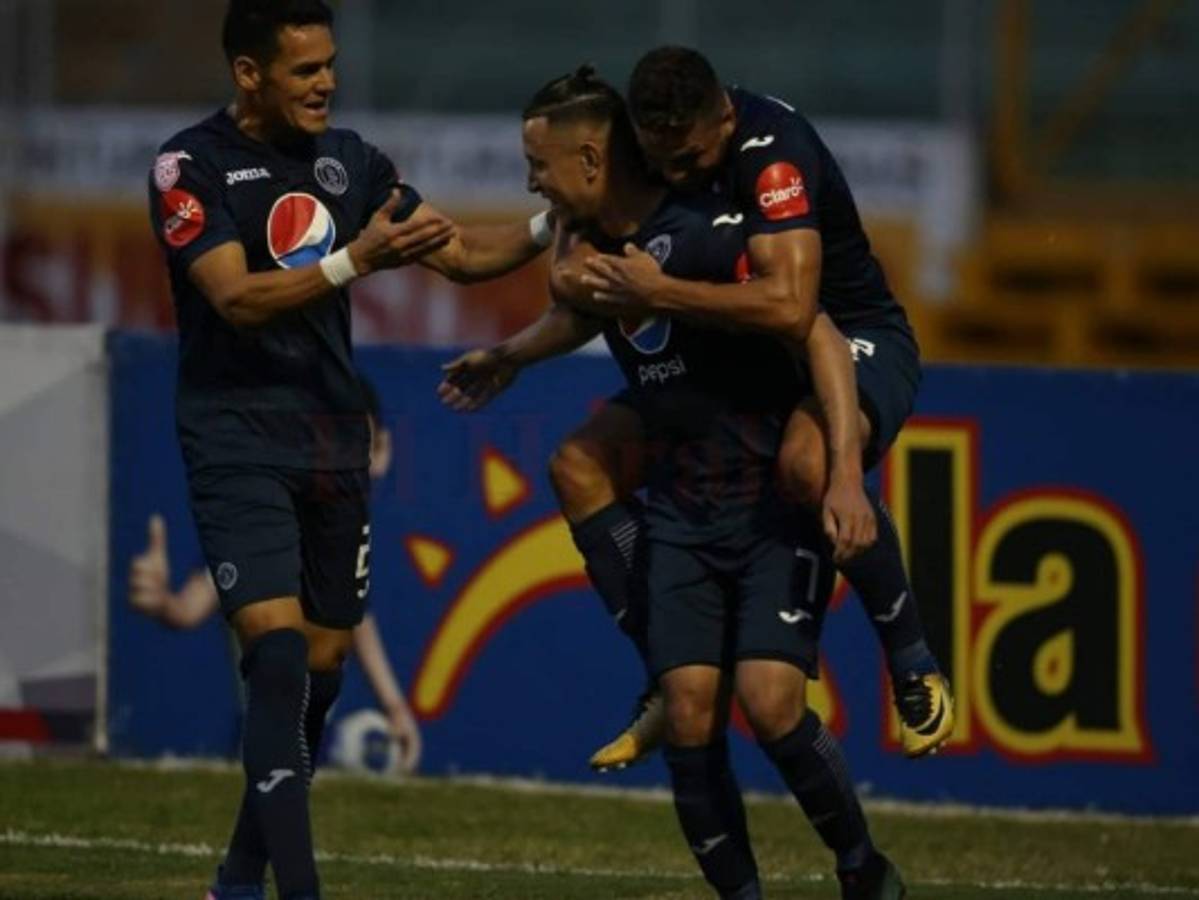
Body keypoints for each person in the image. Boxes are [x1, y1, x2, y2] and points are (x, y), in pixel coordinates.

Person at [441, 67, 904, 900]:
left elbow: (818, 333)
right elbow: (533, 279)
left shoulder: (708, 233)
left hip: (764, 500)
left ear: (591, 159)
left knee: (767, 706)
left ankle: (864, 870)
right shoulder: (584, 254)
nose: (530, 181)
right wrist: (509, 354)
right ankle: (666, 680)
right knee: (691, 708)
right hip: (684, 508)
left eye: (537, 165)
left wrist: (839, 474)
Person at [147, 3, 553, 898]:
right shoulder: (189, 166)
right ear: (249, 73)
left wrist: (550, 224)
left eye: (328, 64)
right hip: (234, 429)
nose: (326, 81)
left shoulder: (352, 162)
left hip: (330, 432)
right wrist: (353, 264)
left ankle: (238, 874)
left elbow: (463, 253)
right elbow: (235, 299)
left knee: (321, 669)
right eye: (303, 70)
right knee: (279, 655)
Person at [552, 46, 952, 768]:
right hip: (739, 365)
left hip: (851, 339)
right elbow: (567, 243)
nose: (679, 176)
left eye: (692, 159)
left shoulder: (772, 156)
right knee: (579, 464)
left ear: (725, 119)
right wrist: (507, 352)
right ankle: (663, 665)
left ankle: (913, 657)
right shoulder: (660, 152)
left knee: (807, 461)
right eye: (662, 161)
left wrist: (657, 292)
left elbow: (792, 306)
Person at [128, 381, 422, 772]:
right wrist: (163, 601)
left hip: (312, 753)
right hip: (258, 753)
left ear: (382, 451)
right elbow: (189, 608)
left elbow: (357, 619)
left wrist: (395, 708)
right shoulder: (264, 532)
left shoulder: (345, 540)